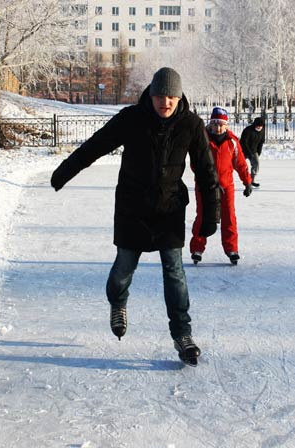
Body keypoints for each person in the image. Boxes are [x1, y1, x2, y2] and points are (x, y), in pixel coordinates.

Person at [50, 67, 220, 365]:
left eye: (170, 96)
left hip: (169, 210)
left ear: (178, 97)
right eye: (159, 95)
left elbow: (206, 172)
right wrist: (65, 171)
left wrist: (211, 214)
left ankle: (183, 333)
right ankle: (118, 303)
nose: (164, 102)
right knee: (122, 271)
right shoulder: (131, 118)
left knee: (175, 272)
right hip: (132, 209)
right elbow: (96, 145)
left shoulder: (191, 125)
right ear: (150, 95)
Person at [189, 107, 253, 266]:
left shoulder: (232, 142)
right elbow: (195, 163)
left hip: (226, 186)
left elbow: (240, 164)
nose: (218, 127)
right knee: (203, 216)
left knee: (229, 217)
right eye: (215, 123)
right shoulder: (202, 139)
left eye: (221, 124)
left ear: (226, 125)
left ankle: (232, 249)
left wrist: (247, 182)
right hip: (205, 186)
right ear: (210, 124)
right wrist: (205, 178)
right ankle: (197, 249)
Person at [240, 117, 265, 187]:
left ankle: (251, 180)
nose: (259, 127)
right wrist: (249, 153)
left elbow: (261, 142)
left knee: (256, 164)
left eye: (261, 126)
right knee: (236, 165)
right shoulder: (248, 130)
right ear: (254, 125)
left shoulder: (262, 131)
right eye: (258, 126)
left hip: (253, 150)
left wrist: (258, 151)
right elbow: (244, 143)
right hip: (243, 150)